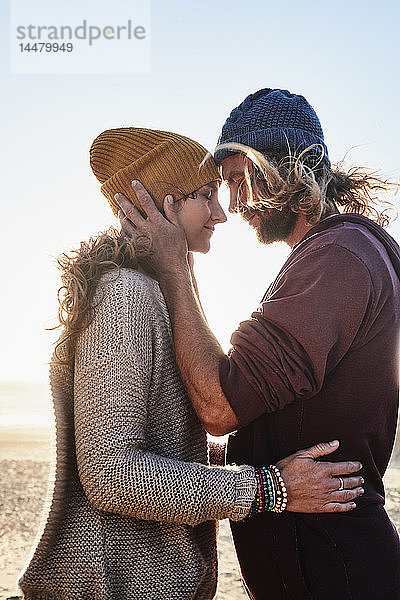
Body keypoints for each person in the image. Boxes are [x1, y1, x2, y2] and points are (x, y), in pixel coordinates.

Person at [17, 127, 363, 600]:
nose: (223, 213)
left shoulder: (158, 293)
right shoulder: (127, 296)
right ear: (159, 205)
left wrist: (251, 458)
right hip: (108, 587)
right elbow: (109, 472)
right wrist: (269, 488)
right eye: (204, 196)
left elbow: (157, 440)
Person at [117, 90, 400, 599]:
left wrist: (174, 268)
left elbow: (220, 405)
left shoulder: (338, 260)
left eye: (237, 179)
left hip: (336, 573)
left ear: (294, 164)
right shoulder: (340, 253)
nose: (234, 203)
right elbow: (281, 422)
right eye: (221, 187)